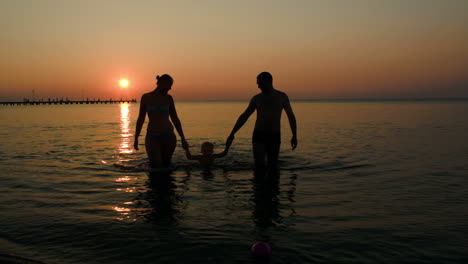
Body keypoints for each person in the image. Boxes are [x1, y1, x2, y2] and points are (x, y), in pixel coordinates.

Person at [226, 72, 297, 168]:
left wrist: (294, 135)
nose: (258, 86)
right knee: (259, 166)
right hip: (259, 134)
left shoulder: (282, 96)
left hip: (274, 135)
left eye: (260, 83)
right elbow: (245, 116)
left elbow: (291, 116)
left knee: (273, 166)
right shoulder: (257, 99)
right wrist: (232, 133)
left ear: (268, 82)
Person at [134, 74, 189, 168]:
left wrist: (183, 138)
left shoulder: (169, 98)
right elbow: (141, 119)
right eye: (169, 85)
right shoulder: (146, 97)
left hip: (169, 136)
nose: (170, 88)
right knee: (156, 165)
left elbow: (175, 119)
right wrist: (136, 138)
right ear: (161, 83)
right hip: (152, 136)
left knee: (166, 165)